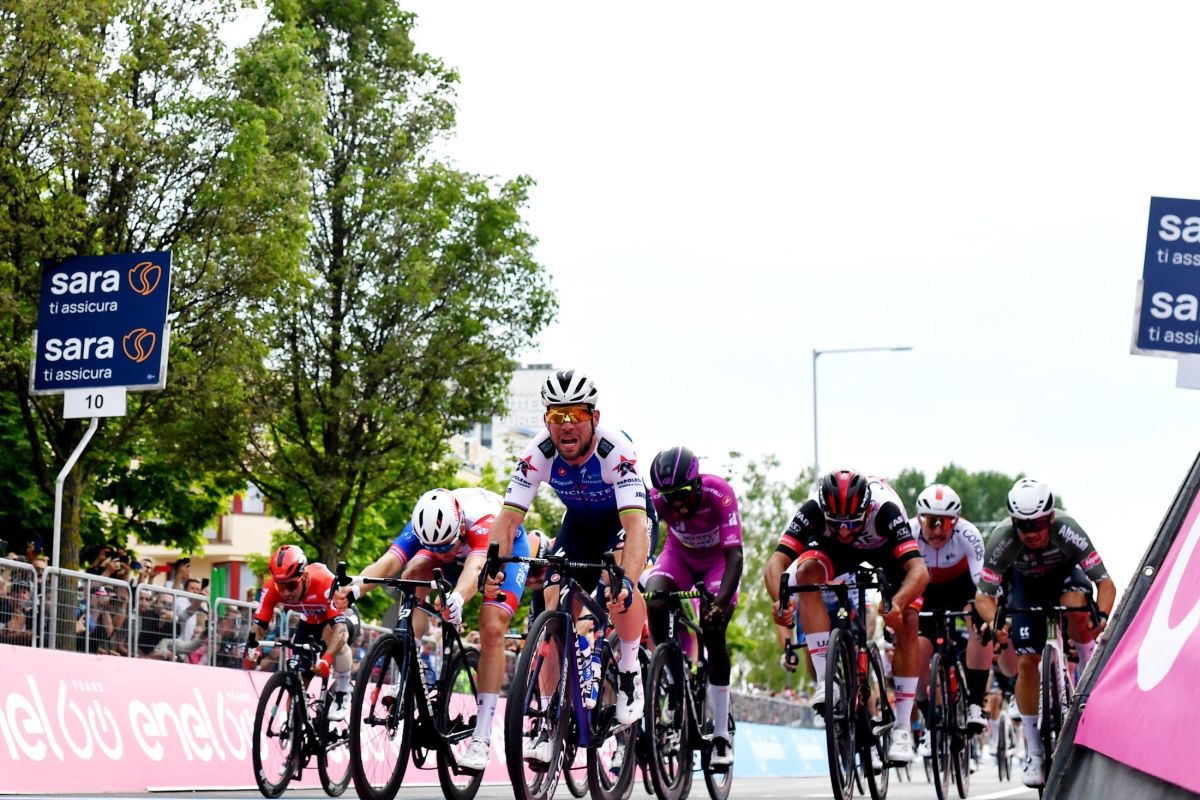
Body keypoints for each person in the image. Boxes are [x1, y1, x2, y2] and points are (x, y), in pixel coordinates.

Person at [486, 368, 652, 758]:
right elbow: (507, 521)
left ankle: (629, 670)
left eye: (575, 414)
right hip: (579, 526)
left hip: (625, 523)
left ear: (594, 417)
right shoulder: (537, 453)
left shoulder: (615, 451)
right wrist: (493, 567)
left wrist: (628, 580)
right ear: (547, 420)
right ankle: (549, 723)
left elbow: (635, 528)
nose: (566, 424)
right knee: (554, 610)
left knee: (618, 590)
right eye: (556, 415)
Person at [333, 486, 532, 772]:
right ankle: (408, 674)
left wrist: (457, 599)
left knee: (491, 625)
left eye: (446, 545)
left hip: (498, 551)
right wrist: (354, 590)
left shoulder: (482, 523)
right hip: (456, 547)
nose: (444, 554)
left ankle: (481, 736)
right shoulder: (423, 525)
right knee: (412, 574)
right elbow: (388, 563)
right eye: (435, 547)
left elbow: (474, 570)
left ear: (460, 527)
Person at [764, 470, 929, 763]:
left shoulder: (885, 510)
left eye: (851, 523)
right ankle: (826, 681)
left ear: (866, 509)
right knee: (806, 575)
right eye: (835, 523)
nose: (843, 531)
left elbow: (919, 571)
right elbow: (776, 563)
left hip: (884, 550)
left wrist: (897, 603)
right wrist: (780, 601)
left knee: (908, 619)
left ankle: (903, 726)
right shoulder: (812, 510)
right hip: (836, 554)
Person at [974, 478, 1115, 788]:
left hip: (1065, 579)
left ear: (1050, 518)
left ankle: (1088, 675)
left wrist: (1102, 618)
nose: (1031, 533)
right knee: (1026, 662)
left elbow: (1105, 584)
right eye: (1023, 526)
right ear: (1013, 522)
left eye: (1037, 524)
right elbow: (983, 597)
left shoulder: (1068, 529)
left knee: (1078, 607)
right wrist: (997, 625)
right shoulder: (1002, 539)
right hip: (1026, 587)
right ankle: (1035, 751)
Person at [644, 445, 743, 768]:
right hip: (679, 556)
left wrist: (720, 604)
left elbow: (735, 557)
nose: (677, 503)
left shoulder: (720, 494)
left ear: (697, 483)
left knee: (713, 630)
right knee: (656, 600)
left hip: (719, 563)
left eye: (683, 494)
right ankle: (673, 679)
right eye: (669, 496)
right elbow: (641, 536)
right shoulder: (656, 500)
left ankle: (720, 736)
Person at [908, 483, 992, 757]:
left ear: (955, 522)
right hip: (925, 590)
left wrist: (987, 616)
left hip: (961, 587)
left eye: (944, 523)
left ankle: (976, 703)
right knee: (916, 649)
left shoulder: (968, 534)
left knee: (978, 624)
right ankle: (928, 717)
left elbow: (982, 584)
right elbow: (899, 580)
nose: (937, 531)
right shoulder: (908, 532)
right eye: (931, 522)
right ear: (920, 518)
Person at [246, 545, 360, 722]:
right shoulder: (271, 588)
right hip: (310, 622)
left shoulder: (324, 582)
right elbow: (258, 626)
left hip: (342, 618)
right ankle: (295, 728)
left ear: (304, 577)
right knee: (297, 683)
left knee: (330, 633)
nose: (286, 592)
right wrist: (252, 651)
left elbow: (340, 631)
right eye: (280, 585)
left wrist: (327, 659)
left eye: (291, 585)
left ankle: (343, 691)